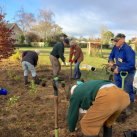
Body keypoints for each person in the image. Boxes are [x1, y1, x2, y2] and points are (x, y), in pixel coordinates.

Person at [108, 33, 135, 117]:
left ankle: (129, 109)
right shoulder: (116, 48)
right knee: (118, 90)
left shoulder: (128, 50)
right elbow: (111, 56)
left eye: (117, 40)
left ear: (123, 39)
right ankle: (119, 106)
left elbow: (131, 64)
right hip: (118, 73)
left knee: (127, 91)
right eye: (114, 41)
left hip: (127, 74)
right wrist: (111, 61)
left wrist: (119, 69)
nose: (115, 42)